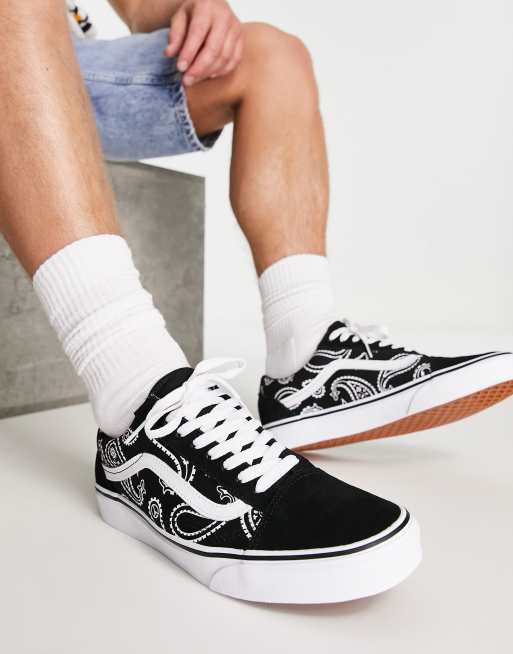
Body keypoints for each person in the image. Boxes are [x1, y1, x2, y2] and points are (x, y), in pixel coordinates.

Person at [0, 0, 510, 603]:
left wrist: (187, 9)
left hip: (60, 57)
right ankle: (135, 402)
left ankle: (306, 357)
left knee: (272, 55)